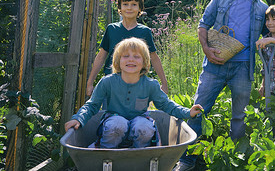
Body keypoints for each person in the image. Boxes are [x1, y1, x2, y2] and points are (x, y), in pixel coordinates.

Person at [173, 0, 275, 171]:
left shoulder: (261, 8)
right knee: (198, 110)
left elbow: (271, 29)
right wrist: (206, 48)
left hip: (242, 68)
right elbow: (203, 24)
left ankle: (234, 160)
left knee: (239, 117)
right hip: (214, 64)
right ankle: (186, 160)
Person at [65, 37, 203, 149]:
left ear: (144, 63)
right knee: (117, 124)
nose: (131, 59)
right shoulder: (107, 82)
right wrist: (78, 118)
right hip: (113, 123)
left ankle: (139, 153)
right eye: (126, 56)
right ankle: (104, 151)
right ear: (118, 61)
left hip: (139, 122)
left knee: (144, 127)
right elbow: (92, 105)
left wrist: (187, 112)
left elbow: (166, 105)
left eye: (136, 57)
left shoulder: (150, 84)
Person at [86, 0, 169, 98]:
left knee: (136, 114)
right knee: (111, 114)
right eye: (125, 4)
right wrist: (90, 82)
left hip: (137, 83)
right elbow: (101, 56)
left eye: (134, 4)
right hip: (112, 84)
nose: (129, 8)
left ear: (140, 8)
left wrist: (164, 83)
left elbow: (153, 57)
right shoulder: (112, 29)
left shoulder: (145, 31)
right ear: (119, 7)